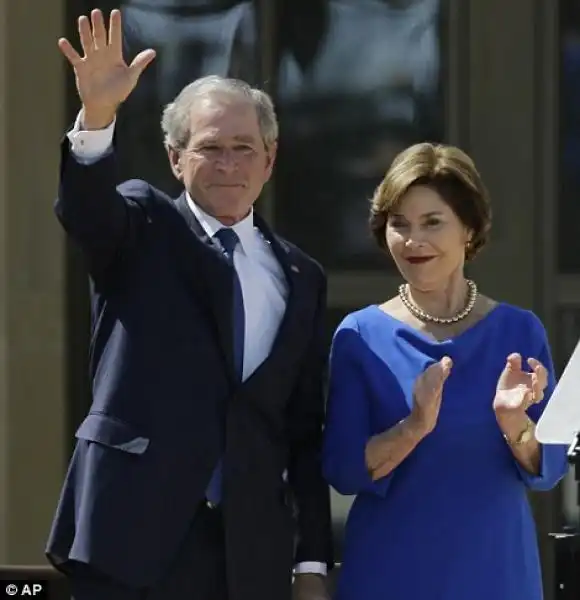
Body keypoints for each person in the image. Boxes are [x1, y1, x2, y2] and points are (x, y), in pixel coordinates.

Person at [46, 8, 333, 600]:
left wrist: (310, 563)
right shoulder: (143, 225)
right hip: (130, 540)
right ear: (176, 159)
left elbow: (302, 430)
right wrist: (98, 116)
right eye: (209, 148)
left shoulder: (301, 275)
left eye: (243, 148)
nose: (229, 164)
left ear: (269, 159)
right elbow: (87, 212)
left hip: (246, 553)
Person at [321, 142, 569, 600]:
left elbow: (548, 467)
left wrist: (515, 423)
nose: (414, 241)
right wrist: (414, 427)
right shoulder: (360, 334)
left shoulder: (518, 331)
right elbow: (344, 470)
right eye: (399, 225)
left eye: (432, 222)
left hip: (496, 572)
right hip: (390, 573)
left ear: (469, 231)